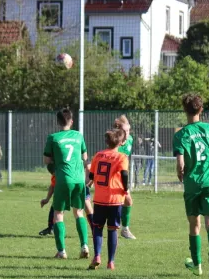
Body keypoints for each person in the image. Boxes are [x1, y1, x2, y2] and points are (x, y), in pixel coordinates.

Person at [173, 93, 209, 279]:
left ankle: (197, 265)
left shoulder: (181, 134)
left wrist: (180, 173)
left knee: (194, 225)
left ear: (184, 110)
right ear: (201, 110)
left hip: (192, 183)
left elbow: (180, 164)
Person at [43, 108, 89, 259]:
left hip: (64, 179)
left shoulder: (53, 138)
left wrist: (55, 172)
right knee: (79, 213)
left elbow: (47, 161)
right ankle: (84, 246)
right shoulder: (78, 136)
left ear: (57, 122)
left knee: (58, 214)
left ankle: (61, 251)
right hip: (79, 179)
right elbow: (85, 157)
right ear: (72, 121)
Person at [87, 128, 129, 270]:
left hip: (100, 198)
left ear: (107, 141)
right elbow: (124, 174)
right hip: (116, 199)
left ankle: (97, 255)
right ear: (120, 142)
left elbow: (91, 176)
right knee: (112, 229)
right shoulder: (121, 157)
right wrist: (126, 189)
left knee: (97, 228)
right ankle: (110, 262)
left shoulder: (98, 155)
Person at [39, 164, 94, 236]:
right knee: (57, 205)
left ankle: (95, 230)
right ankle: (95, 230)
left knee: (59, 207)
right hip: (79, 183)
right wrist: (47, 199)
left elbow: (88, 166)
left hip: (71, 184)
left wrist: (47, 199)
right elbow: (53, 185)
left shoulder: (59, 170)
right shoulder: (73, 160)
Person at [114, 115, 136, 239]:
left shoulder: (130, 140)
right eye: (125, 131)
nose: (127, 133)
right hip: (115, 177)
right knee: (124, 201)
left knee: (126, 201)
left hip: (123, 175)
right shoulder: (115, 142)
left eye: (128, 130)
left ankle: (123, 228)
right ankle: (123, 229)